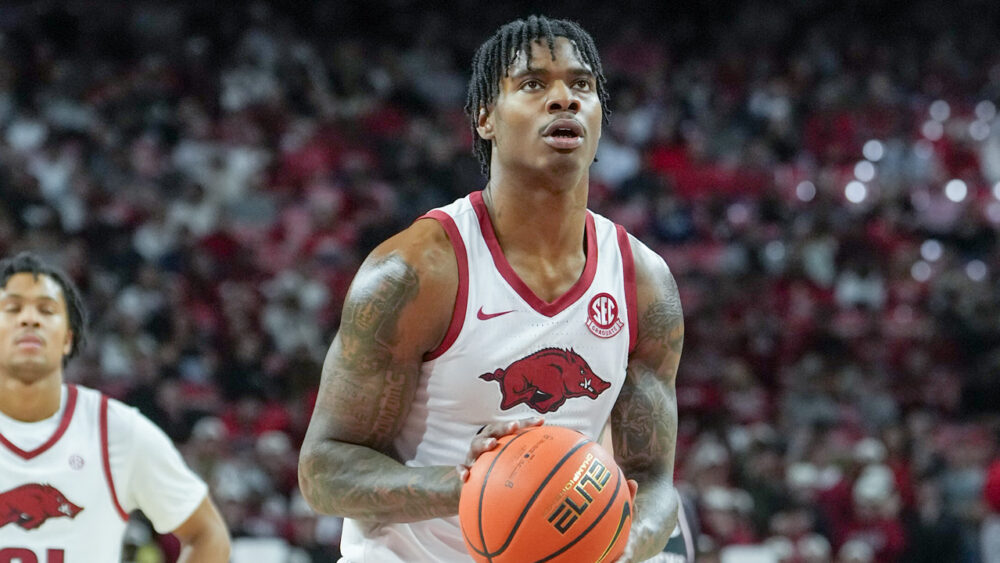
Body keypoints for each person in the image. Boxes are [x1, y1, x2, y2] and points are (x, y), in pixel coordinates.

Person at [298, 15, 684, 562]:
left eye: (581, 85)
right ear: (485, 118)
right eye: (533, 84)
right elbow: (323, 470)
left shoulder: (644, 282)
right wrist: (472, 485)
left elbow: (656, 483)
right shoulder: (416, 271)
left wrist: (620, 545)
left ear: (600, 117)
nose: (563, 99)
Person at [0, 251, 230, 562]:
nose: (29, 320)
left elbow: (208, 534)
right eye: (12, 309)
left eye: (46, 309)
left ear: (68, 338)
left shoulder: (117, 429)